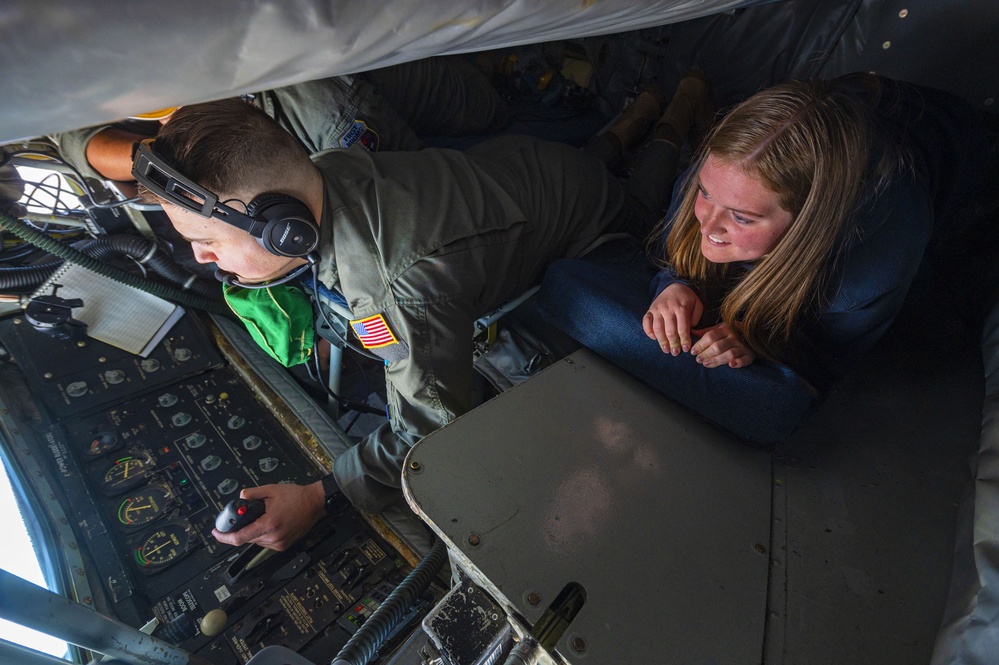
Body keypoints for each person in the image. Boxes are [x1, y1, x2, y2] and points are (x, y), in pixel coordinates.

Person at [132, 93, 679, 550]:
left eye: (205, 243)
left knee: (639, 207)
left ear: (285, 231)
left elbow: (429, 428)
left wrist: (321, 495)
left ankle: (675, 123)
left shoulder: (395, 287)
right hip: (529, 167)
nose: (202, 259)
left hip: (590, 223)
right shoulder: (325, 169)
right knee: (587, 164)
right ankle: (630, 124)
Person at [538, 72, 995, 444]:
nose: (708, 223)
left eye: (740, 216)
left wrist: (761, 339)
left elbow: (830, 356)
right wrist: (677, 284)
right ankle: (684, 111)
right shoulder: (718, 181)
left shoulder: (880, 255)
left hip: (952, 137)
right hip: (856, 93)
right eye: (704, 192)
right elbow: (673, 250)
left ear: (808, 225)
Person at [55, 55, 510, 182]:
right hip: (228, 114)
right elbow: (75, 139)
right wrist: (162, 161)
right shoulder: (47, 50)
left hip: (308, 61)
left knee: (481, 107)